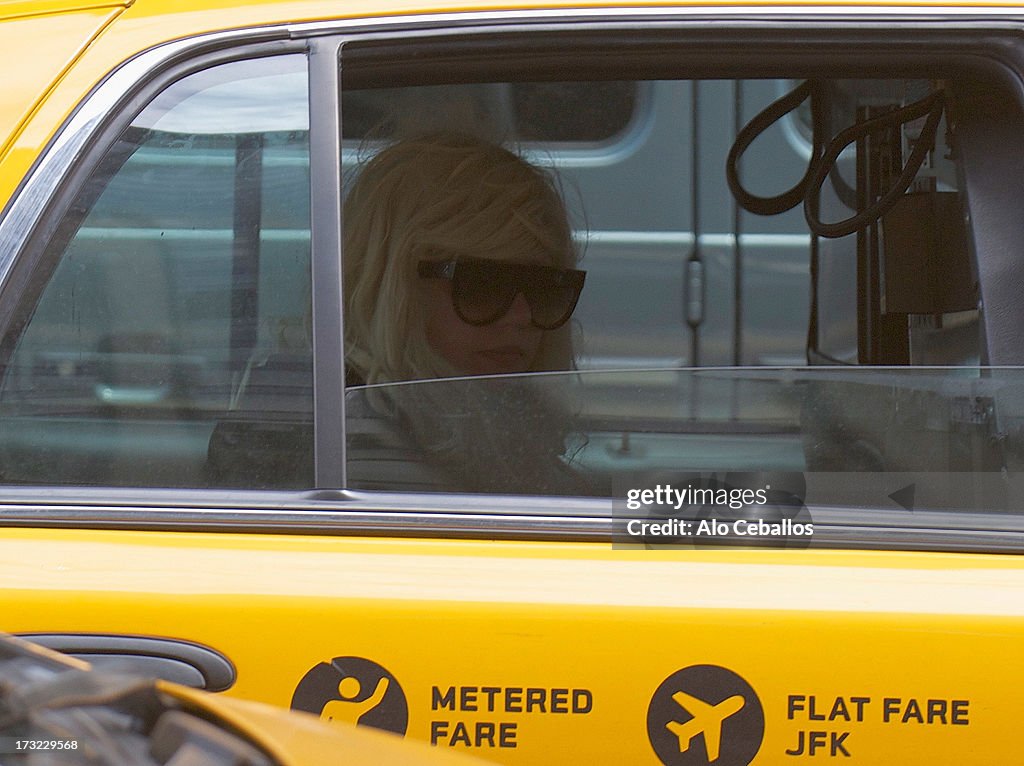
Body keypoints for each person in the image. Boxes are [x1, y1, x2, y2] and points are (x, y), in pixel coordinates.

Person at [342, 133, 595, 495]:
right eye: (484, 284)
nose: (520, 315)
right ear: (394, 289)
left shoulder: (493, 440)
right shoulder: (375, 470)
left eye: (545, 288)